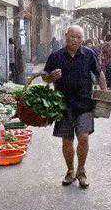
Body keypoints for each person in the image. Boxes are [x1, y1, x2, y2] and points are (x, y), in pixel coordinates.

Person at [43, 25, 107, 189]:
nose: (76, 40)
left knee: (84, 137)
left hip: (84, 104)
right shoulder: (56, 56)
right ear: (66, 36)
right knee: (67, 141)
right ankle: (70, 171)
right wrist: (51, 77)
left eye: (79, 37)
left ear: (82, 39)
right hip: (63, 105)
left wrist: (105, 93)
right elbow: (45, 76)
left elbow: (99, 73)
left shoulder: (89, 54)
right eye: (73, 37)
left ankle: (81, 170)